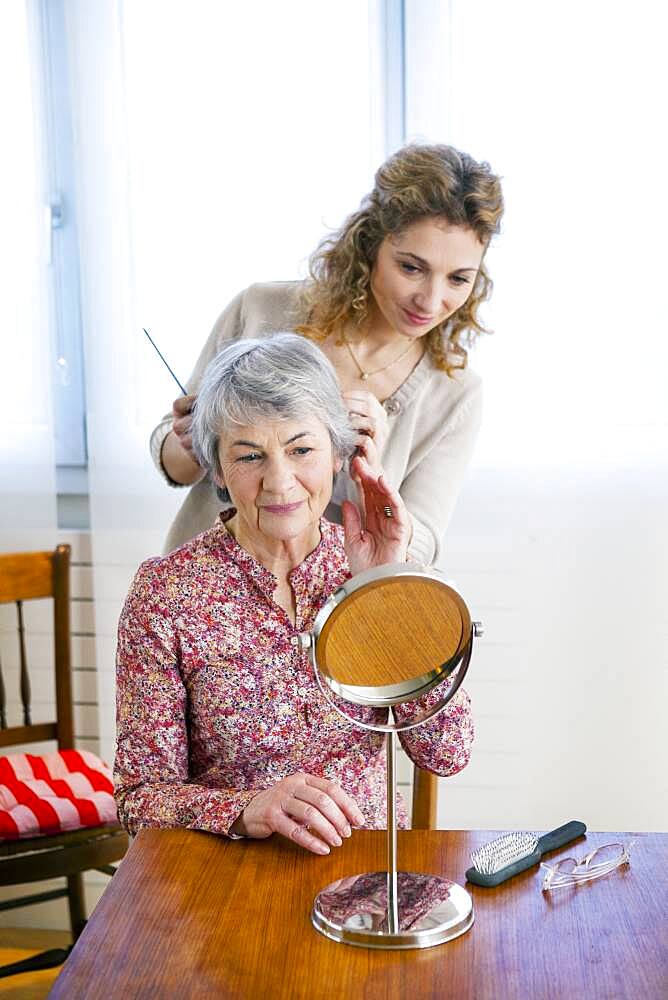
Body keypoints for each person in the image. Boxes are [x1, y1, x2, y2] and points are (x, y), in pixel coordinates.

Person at [117, 335, 473, 854]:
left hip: (367, 865)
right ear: (217, 468)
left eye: (301, 449)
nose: (279, 483)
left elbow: (449, 752)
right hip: (224, 872)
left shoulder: (375, 567)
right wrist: (244, 809)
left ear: (338, 454)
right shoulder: (166, 593)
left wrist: (386, 586)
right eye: (249, 456)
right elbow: (138, 800)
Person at [151, 143, 504, 562]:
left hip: (336, 614)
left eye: (459, 279)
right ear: (370, 246)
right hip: (208, 598)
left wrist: (374, 476)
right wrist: (191, 445)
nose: (430, 301)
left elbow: (420, 546)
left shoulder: (455, 395)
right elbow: (173, 463)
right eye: (411, 268)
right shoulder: (262, 311)